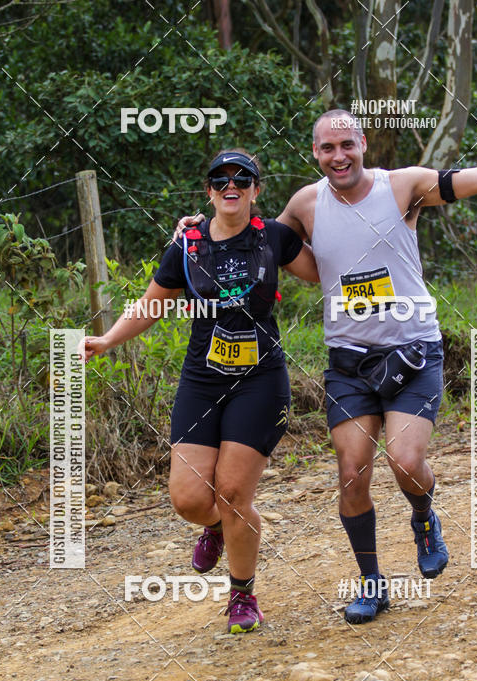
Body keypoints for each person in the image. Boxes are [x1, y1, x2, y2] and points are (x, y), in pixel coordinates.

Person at [178, 117, 477, 626]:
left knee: (406, 462)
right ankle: (371, 583)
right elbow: (252, 240)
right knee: (351, 476)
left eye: (347, 144)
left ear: (363, 144)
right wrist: (198, 231)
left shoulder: (403, 187)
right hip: (349, 363)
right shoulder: (306, 204)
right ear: (316, 153)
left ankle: (423, 517)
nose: (339, 156)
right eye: (328, 148)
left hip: (412, 352)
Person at [81, 149, 318, 633]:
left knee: (232, 491)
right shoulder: (187, 246)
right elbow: (150, 305)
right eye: (220, 179)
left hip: (260, 381)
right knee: (189, 499)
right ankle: (215, 526)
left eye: (242, 178)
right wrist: (107, 340)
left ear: (256, 189)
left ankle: (242, 596)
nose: (231, 186)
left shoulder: (274, 237)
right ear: (209, 191)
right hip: (202, 380)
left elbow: (325, 271)